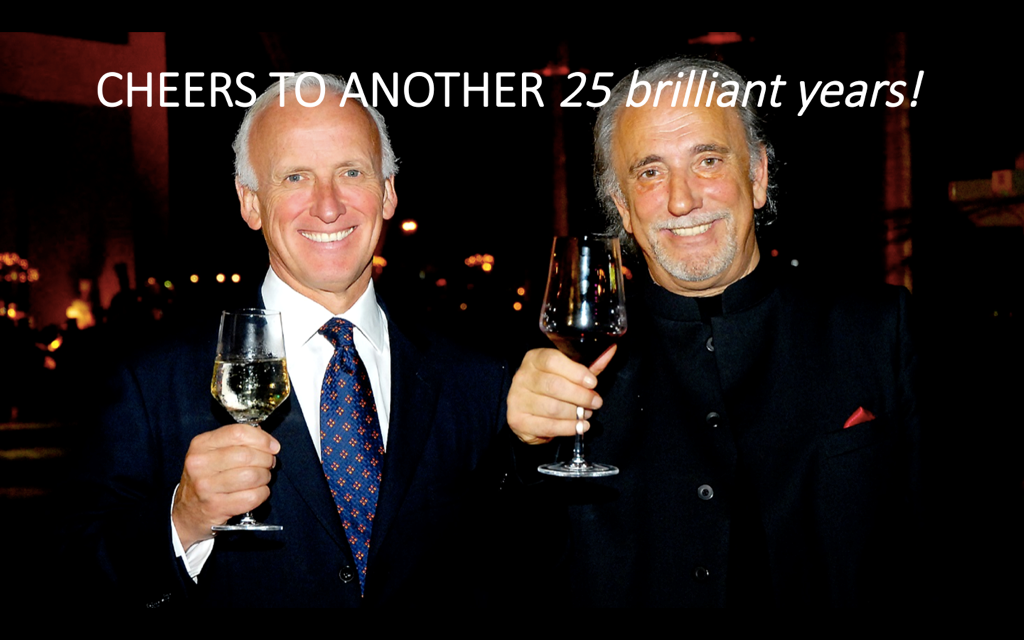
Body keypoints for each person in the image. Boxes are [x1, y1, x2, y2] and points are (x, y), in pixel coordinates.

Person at [73, 74, 509, 607]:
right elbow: (84, 572)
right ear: (250, 202)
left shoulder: (478, 378)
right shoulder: (149, 380)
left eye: (352, 172)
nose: (328, 206)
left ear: (389, 192)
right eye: (295, 176)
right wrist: (182, 522)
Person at [504, 58, 920, 606]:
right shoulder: (557, 373)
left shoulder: (879, 329)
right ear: (623, 207)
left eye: (707, 161)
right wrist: (523, 450)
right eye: (650, 172)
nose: (682, 200)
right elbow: (511, 569)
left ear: (758, 176)